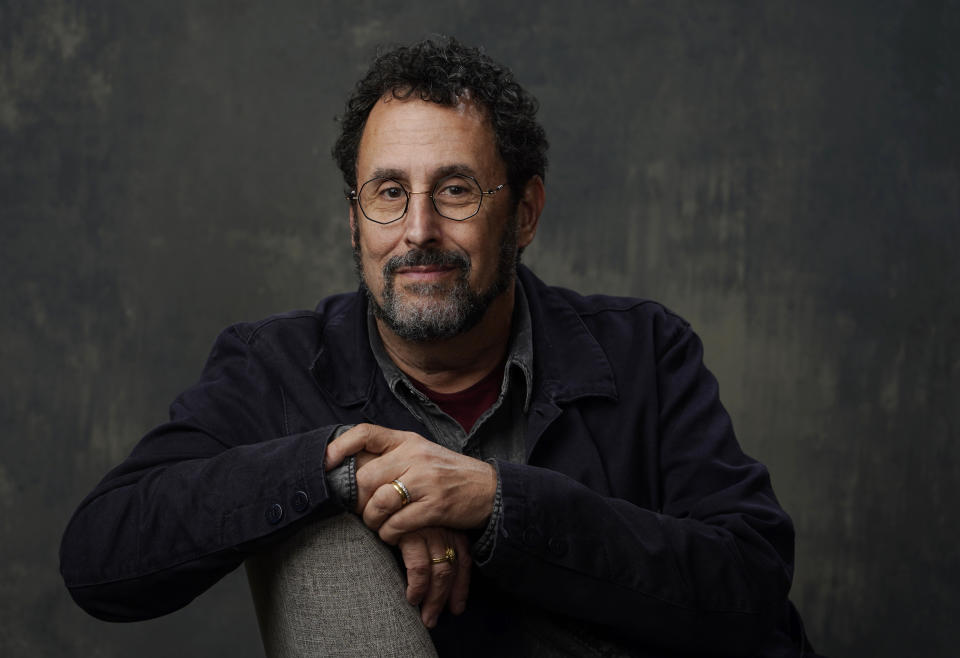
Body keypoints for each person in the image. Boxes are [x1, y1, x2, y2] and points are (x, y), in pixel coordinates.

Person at [60, 37, 818, 657]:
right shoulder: (277, 368)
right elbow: (101, 558)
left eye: (455, 190)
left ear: (523, 213)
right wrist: (343, 475)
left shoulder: (646, 349)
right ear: (354, 220)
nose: (418, 231)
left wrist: (494, 501)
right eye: (389, 194)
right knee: (322, 548)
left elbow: (748, 584)